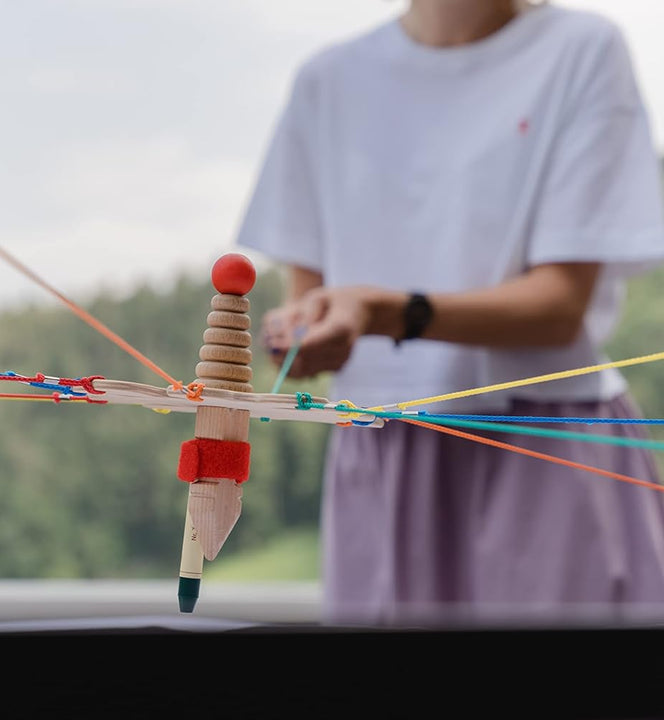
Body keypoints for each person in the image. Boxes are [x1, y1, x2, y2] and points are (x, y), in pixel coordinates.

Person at [236, 0, 664, 626]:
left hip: (546, 449)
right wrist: (304, 336)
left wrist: (383, 313)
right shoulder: (326, 80)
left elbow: (558, 308)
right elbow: (306, 307)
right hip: (379, 453)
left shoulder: (581, 48)